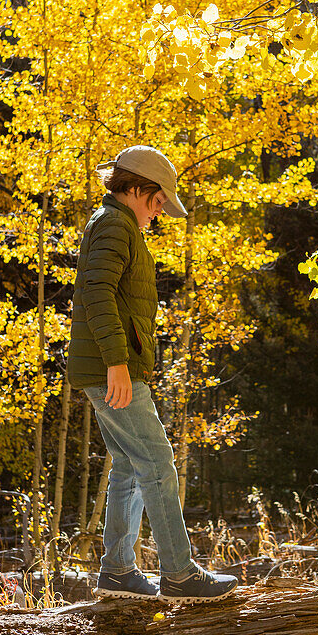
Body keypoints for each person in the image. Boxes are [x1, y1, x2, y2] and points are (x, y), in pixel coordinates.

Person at [67, 144, 238, 603]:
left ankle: (118, 572)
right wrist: (117, 364)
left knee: (128, 464)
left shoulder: (117, 226)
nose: (159, 212)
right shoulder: (114, 226)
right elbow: (96, 294)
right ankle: (180, 575)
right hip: (110, 367)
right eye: (159, 201)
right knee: (158, 463)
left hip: (109, 365)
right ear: (137, 189)